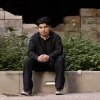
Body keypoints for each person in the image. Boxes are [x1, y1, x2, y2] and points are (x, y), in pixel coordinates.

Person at [21, 16, 65, 95]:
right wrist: (37, 57)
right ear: (38, 28)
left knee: (60, 58)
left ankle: (59, 89)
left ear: (50, 27)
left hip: (52, 63)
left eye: (45, 27)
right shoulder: (34, 38)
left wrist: (49, 56)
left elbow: (59, 51)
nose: (43, 30)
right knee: (27, 60)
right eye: (40, 27)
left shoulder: (56, 37)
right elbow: (30, 52)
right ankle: (27, 90)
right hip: (38, 63)